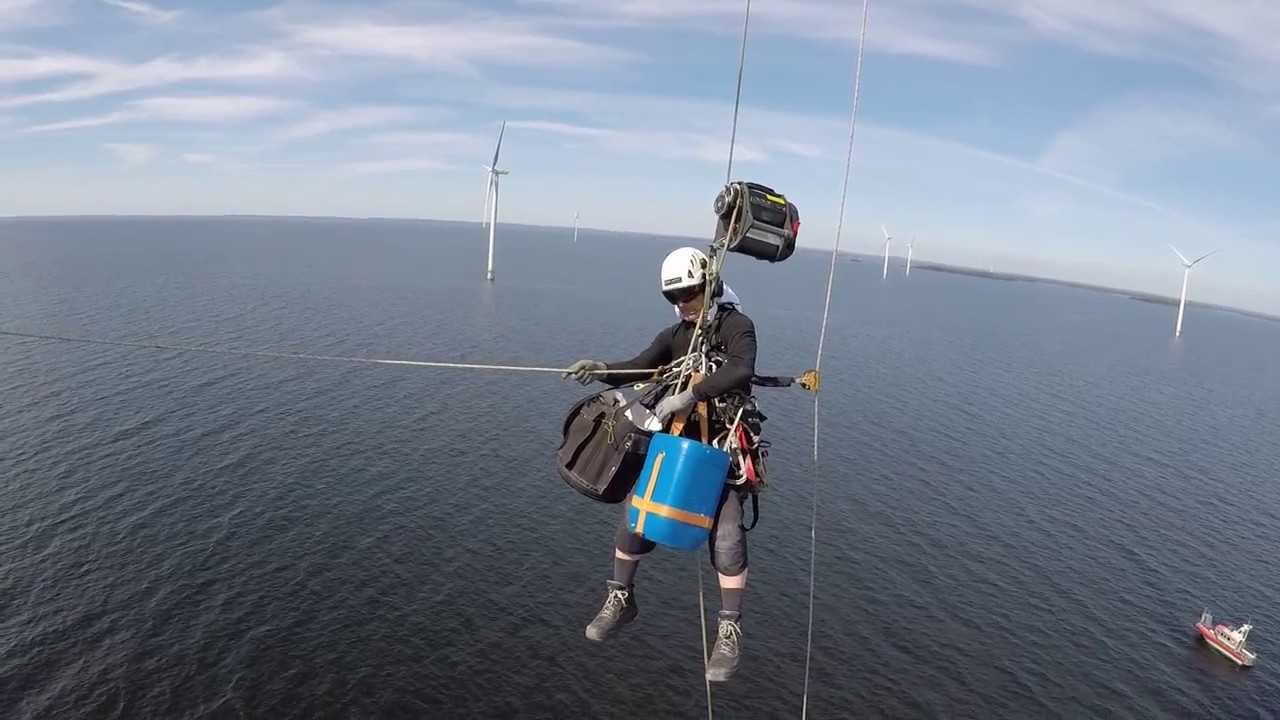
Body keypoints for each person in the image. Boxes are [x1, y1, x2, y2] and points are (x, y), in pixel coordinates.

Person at [564, 245, 757, 683]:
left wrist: (690, 394)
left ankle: (729, 630)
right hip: (678, 443)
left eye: (688, 294)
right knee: (635, 519)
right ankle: (620, 599)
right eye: (673, 298)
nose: (681, 304)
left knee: (727, 538)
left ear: (708, 286)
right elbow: (640, 367)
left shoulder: (736, 327)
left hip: (721, 449)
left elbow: (742, 369)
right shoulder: (675, 335)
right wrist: (600, 369)